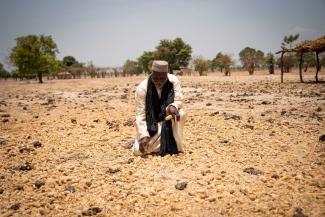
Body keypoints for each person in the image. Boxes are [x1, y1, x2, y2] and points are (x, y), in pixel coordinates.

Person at [125, 60, 186, 156]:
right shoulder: (142, 89)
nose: (158, 81)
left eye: (162, 78)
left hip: (167, 120)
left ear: (167, 74)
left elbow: (179, 100)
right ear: (151, 74)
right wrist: (144, 136)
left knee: (181, 114)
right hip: (152, 124)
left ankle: (177, 148)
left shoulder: (173, 81)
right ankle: (162, 143)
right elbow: (140, 115)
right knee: (139, 151)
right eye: (156, 78)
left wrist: (172, 106)